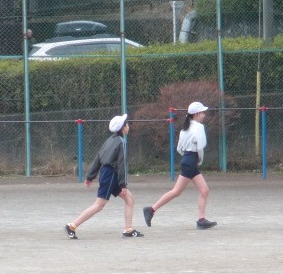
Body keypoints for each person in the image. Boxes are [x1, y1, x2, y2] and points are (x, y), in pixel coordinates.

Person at [65, 114, 144, 239]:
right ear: (122, 128)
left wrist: (90, 176)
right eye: (127, 124)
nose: (128, 126)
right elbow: (122, 164)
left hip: (109, 174)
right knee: (99, 205)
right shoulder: (121, 142)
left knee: (130, 199)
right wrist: (123, 185)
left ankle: (128, 230)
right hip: (111, 176)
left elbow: (98, 158)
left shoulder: (109, 140)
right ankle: (72, 226)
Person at [143, 101, 217, 230]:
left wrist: (189, 158)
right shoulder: (199, 127)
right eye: (202, 112)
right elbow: (200, 147)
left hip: (187, 160)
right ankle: (151, 210)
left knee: (204, 190)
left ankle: (201, 220)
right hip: (191, 161)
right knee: (176, 191)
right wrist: (198, 160)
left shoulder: (184, 129)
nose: (204, 115)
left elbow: (179, 149)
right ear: (196, 114)